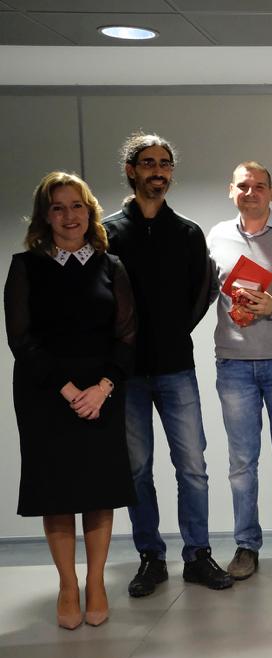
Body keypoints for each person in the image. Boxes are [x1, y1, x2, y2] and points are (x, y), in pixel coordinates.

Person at [103, 132, 233, 596]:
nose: (157, 171)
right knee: (138, 470)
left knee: (192, 467)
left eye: (164, 163)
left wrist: (175, 330)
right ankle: (151, 557)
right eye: (148, 163)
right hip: (126, 373)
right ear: (131, 170)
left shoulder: (187, 233)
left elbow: (202, 292)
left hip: (176, 367)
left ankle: (197, 555)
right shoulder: (107, 233)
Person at [5, 172, 136, 629]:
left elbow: (127, 336)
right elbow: (21, 339)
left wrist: (102, 388)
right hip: (45, 393)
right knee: (56, 493)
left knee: (100, 491)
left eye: (76, 206)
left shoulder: (111, 266)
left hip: (102, 392)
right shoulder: (26, 266)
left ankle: (96, 582)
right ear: (45, 216)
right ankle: (67, 584)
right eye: (57, 207)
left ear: (89, 211)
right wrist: (67, 389)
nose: (68, 216)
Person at [207, 161, 272, 581]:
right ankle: (246, 545)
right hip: (234, 363)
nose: (251, 192)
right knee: (241, 463)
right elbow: (202, 293)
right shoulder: (215, 238)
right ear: (231, 191)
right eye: (243, 186)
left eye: (259, 186)